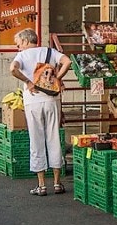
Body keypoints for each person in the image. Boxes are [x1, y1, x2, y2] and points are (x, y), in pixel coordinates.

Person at [10, 28, 72, 196]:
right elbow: (67, 62)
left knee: (36, 140)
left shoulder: (22, 56)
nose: (18, 48)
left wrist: (28, 82)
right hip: (52, 100)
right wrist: (57, 78)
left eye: (18, 44)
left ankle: (42, 185)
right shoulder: (50, 51)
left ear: (24, 41)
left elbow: (12, 69)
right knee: (53, 137)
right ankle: (58, 183)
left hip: (33, 101)